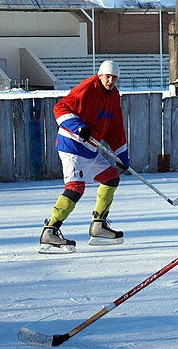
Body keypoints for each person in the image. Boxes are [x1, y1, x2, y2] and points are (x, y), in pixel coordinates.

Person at [39, 59, 130, 254]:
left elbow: (115, 126)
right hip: (72, 144)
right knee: (75, 187)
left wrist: (122, 154)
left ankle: (98, 226)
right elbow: (61, 108)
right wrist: (78, 127)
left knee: (111, 177)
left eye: (114, 77)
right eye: (107, 76)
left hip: (90, 148)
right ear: (100, 75)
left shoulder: (114, 95)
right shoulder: (88, 87)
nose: (111, 80)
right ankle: (50, 230)